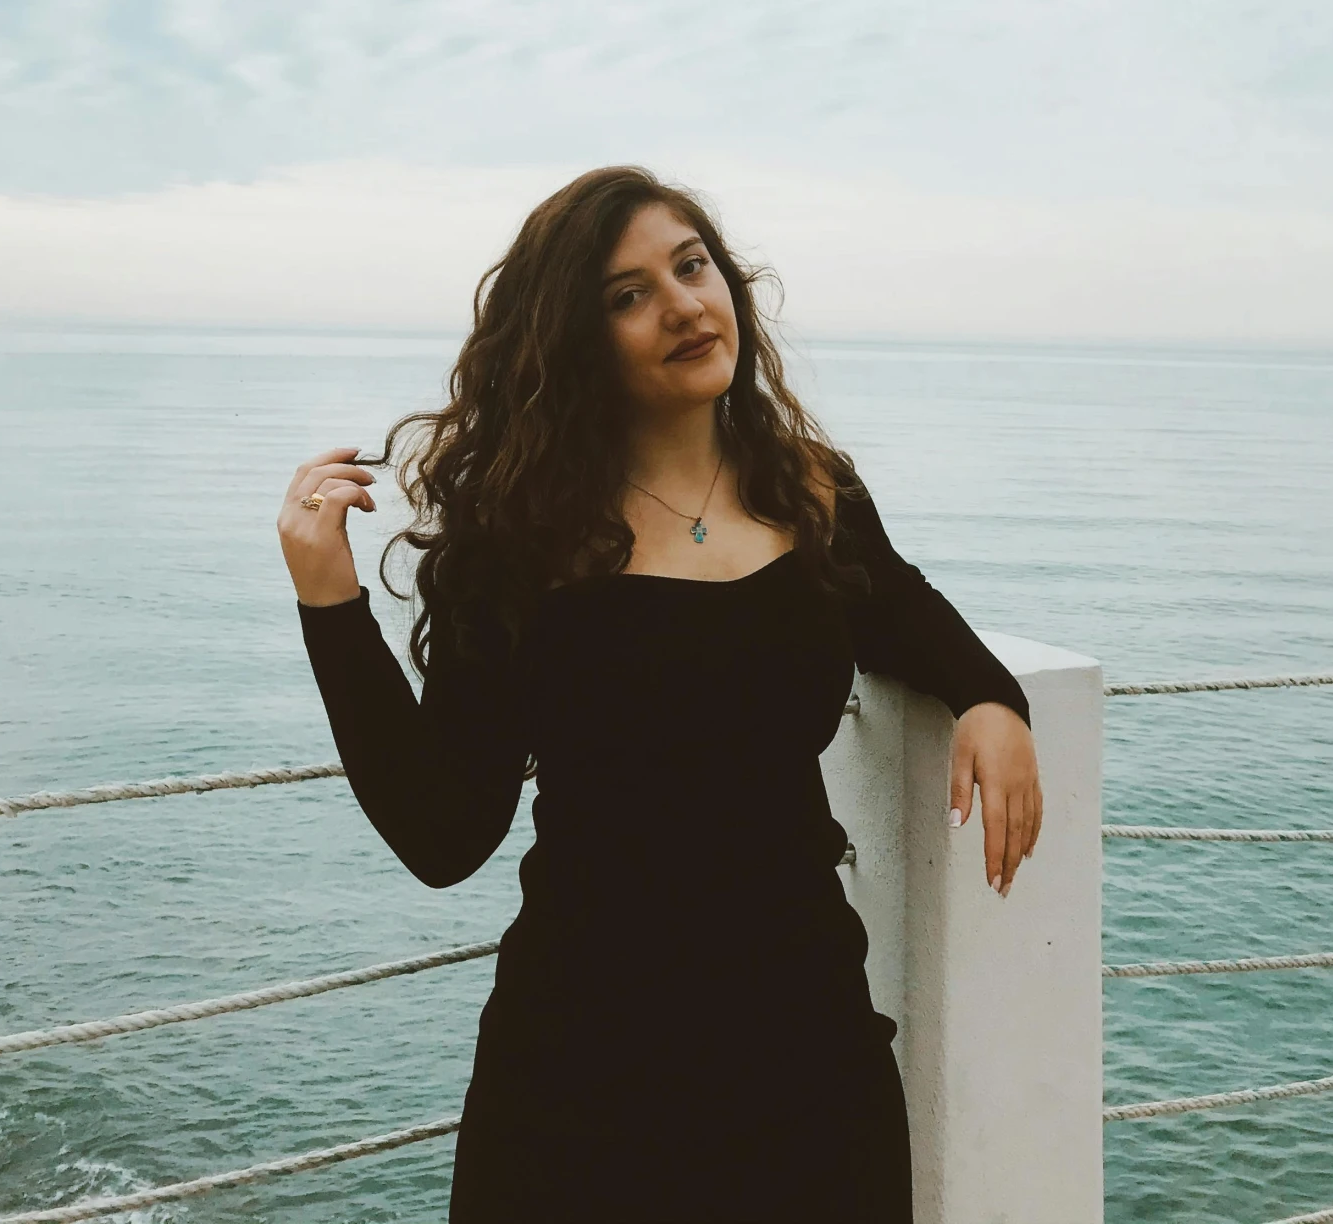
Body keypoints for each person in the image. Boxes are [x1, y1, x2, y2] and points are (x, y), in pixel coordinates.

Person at [278, 166, 1042, 1224]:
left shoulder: (809, 490)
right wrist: (330, 603)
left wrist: (993, 699)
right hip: (582, 1081)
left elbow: (901, 608)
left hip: (806, 1054)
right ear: (574, 341)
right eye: (627, 293)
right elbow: (444, 829)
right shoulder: (519, 543)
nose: (683, 303)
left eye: (692, 265)